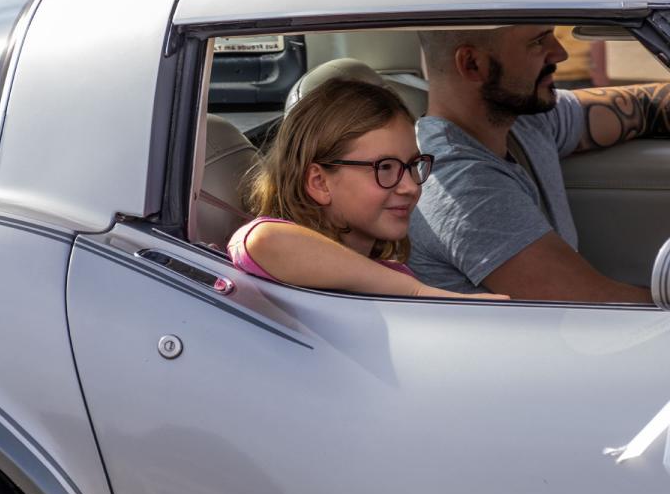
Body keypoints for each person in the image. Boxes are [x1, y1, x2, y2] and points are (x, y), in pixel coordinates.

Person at [408, 24, 670, 302]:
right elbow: (596, 305)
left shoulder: (523, 121)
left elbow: (646, 106)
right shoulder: (462, 186)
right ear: (473, 64)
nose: (560, 53)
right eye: (538, 42)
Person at [228, 78, 501, 300]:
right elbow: (262, 240)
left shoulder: (388, 273)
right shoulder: (282, 254)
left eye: (412, 165)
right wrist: (419, 293)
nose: (409, 186)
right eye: (385, 168)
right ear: (319, 183)